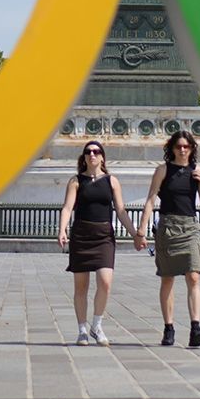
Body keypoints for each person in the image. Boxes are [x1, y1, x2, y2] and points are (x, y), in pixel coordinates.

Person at [57, 141, 144, 346]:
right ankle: (82, 330)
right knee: (81, 286)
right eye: (88, 152)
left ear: (103, 157)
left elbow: (121, 211)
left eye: (96, 152)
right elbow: (68, 208)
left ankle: (97, 325)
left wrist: (135, 234)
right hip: (81, 234)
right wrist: (62, 229)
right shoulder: (76, 181)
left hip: (104, 235)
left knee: (105, 282)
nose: (92, 155)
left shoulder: (112, 181)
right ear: (84, 157)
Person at [142, 131, 200, 347]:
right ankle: (169, 327)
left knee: (193, 276)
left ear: (192, 149)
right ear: (172, 149)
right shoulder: (163, 170)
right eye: (178, 146)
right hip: (168, 226)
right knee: (168, 277)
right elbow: (151, 198)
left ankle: (195, 328)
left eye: (187, 146)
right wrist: (141, 229)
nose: (182, 150)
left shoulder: (197, 172)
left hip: (189, 226)